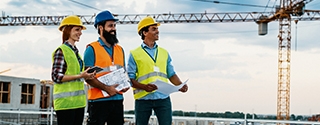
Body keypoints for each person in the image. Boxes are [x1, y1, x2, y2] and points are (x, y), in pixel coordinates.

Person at [127, 16, 189, 125]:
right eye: (154, 29)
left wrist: (180, 85)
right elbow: (129, 79)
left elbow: (171, 74)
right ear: (145, 32)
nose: (157, 31)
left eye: (157, 29)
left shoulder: (164, 53)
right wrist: (145, 87)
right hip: (143, 99)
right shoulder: (134, 54)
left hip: (163, 98)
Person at [83, 10, 129, 125]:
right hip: (98, 102)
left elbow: (123, 73)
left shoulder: (120, 50)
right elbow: (88, 77)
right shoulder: (91, 49)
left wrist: (125, 85)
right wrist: (107, 89)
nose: (113, 29)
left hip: (117, 101)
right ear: (100, 28)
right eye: (110, 26)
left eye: (114, 25)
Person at [51, 15, 95, 125]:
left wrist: (87, 76)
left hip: (78, 103)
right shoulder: (61, 51)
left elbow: (76, 74)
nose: (80, 33)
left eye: (80, 30)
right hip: (65, 104)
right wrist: (80, 76)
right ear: (67, 30)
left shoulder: (75, 52)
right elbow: (56, 76)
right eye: (77, 29)